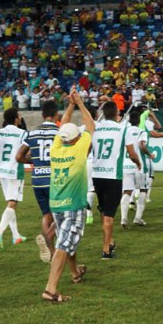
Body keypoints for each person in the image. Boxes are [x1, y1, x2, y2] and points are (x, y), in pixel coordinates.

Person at [41, 89, 95, 302]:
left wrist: (70, 106)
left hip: (57, 203)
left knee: (66, 238)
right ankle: (51, 289)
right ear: (76, 139)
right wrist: (80, 103)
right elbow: (91, 126)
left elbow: (63, 125)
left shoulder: (57, 147)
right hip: (73, 204)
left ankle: (75, 273)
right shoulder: (78, 148)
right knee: (64, 244)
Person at [91, 101, 141, 259]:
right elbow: (131, 153)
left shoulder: (96, 128)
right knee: (110, 214)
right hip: (113, 175)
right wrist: (138, 162)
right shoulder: (123, 128)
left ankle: (109, 240)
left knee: (103, 210)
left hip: (97, 174)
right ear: (117, 112)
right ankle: (106, 249)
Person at [16, 100, 61, 262]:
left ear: (42, 115)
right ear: (56, 115)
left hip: (37, 179)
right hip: (55, 178)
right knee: (63, 214)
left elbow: (18, 156)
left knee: (46, 214)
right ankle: (49, 238)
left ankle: (50, 251)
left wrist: (33, 160)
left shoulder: (33, 133)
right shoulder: (59, 132)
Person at [0, 107, 28, 249]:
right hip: (15, 171)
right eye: (19, 115)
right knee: (12, 203)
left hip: (1, 171)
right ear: (16, 118)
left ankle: (16, 236)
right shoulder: (22, 133)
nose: (20, 117)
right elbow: (26, 151)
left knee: (10, 203)